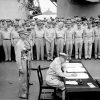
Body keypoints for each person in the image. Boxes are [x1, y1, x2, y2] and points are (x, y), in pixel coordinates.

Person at [15, 28, 31, 99]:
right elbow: (18, 57)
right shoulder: (19, 44)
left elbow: (28, 49)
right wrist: (20, 67)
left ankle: (25, 91)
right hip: (22, 62)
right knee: (22, 78)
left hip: (26, 61)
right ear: (21, 35)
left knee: (26, 77)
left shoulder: (24, 41)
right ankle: (22, 93)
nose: (26, 35)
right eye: (24, 34)